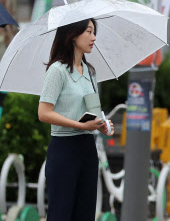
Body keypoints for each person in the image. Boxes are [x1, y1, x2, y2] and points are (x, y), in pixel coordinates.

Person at [38, 18, 114, 221]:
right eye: (88, 32)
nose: (93, 37)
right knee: (61, 213)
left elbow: (92, 109)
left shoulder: (90, 72)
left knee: (85, 214)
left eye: (93, 32)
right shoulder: (57, 71)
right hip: (64, 150)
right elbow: (44, 113)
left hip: (87, 150)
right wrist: (80, 125)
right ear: (72, 35)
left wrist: (102, 125)